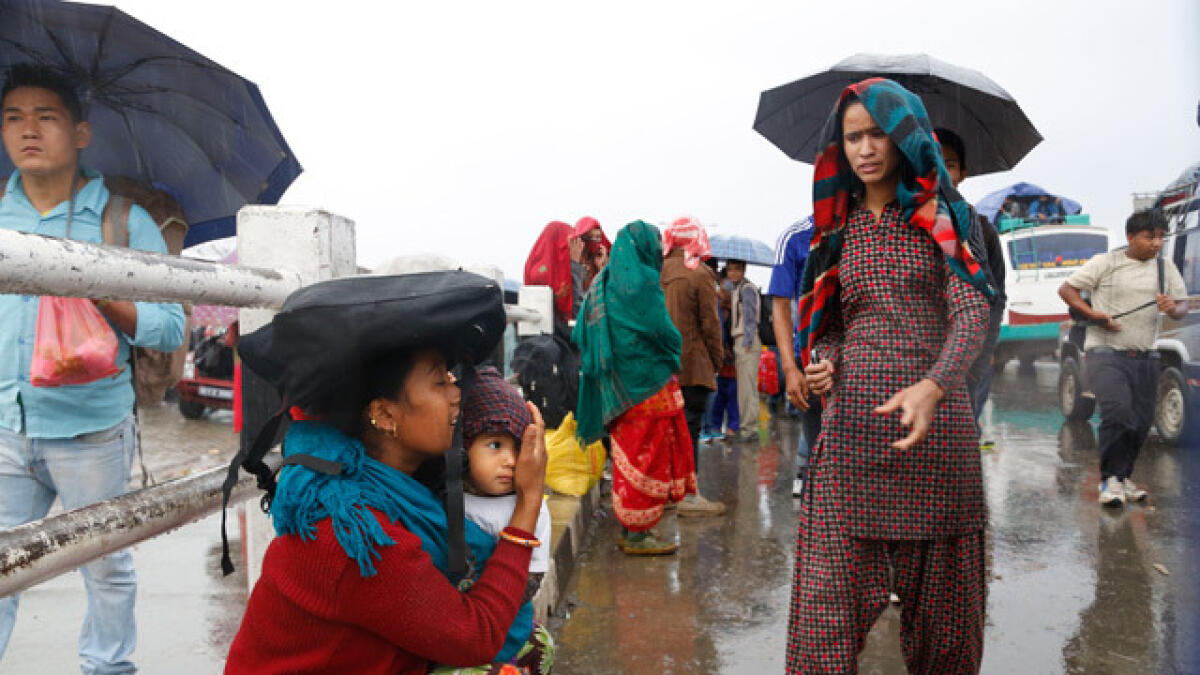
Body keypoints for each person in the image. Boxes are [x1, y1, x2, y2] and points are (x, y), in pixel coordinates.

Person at [225, 272, 549, 674]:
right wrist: (529, 502)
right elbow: (476, 636)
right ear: (384, 414)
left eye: (451, 378)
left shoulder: (389, 485)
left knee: (534, 648)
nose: (456, 393)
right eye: (438, 381)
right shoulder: (353, 532)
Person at [786, 78, 994, 673]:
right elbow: (830, 326)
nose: (865, 148)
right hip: (852, 436)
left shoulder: (946, 216)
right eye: (853, 136)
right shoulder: (834, 232)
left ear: (904, 136)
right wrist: (823, 360)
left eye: (878, 132)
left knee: (944, 626)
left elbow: (972, 308)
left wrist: (935, 384)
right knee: (824, 617)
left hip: (937, 442)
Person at [0, 64, 185, 672]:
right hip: (5, 424)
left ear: (80, 133)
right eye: (13, 117)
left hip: (93, 429)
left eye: (45, 117)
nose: (28, 130)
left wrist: (104, 292)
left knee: (105, 565)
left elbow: (171, 326)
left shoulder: (122, 222)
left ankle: (108, 669)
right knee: (1, 570)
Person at [573, 221, 698, 553]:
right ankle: (637, 534)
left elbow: (583, 332)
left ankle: (632, 528)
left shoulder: (603, 281)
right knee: (649, 457)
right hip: (648, 387)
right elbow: (664, 331)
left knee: (627, 456)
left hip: (618, 389)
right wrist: (673, 350)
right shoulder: (642, 281)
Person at [1058, 210, 1187, 507]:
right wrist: (1094, 315)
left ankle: (1123, 477)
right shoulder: (1106, 263)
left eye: (1160, 237)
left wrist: (1171, 308)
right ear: (1130, 237)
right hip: (1105, 354)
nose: (1156, 243)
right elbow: (1067, 290)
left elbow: (1181, 308)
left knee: (1141, 423)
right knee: (1117, 413)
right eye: (1149, 236)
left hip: (1146, 356)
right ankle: (1110, 481)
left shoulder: (1165, 268)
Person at [432, 366, 554, 673]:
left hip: (505, 629)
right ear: (461, 449)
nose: (510, 461)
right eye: (494, 446)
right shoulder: (443, 499)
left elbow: (532, 579)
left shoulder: (530, 508)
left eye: (518, 449)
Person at [936, 127, 1007, 447]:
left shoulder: (979, 228)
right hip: (915, 357)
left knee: (959, 442)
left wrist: (981, 354)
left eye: (949, 164)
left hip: (966, 359)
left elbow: (994, 296)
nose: (939, 170)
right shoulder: (904, 218)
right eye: (931, 159)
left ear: (963, 173)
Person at [660, 216, 727, 517]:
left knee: (666, 431)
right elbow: (711, 326)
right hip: (692, 365)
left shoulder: (657, 272)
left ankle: (666, 492)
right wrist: (717, 360)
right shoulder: (699, 274)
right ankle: (689, 495)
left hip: (661, 369)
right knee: (690, 429)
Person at [769, 216, 819, 497]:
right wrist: (790, 368)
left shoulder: (876, 227)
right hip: (812, 360)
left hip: (869, 359)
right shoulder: (796, 238)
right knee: (819, 449)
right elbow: (781, 305)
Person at [725, 259, 762, 441]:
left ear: (743, 270)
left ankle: (750, 430)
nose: (732, 273)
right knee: (743, 389)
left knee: (748, 389)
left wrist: (747, 342)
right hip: (740, 341)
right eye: (730, 269)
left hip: (747, 341)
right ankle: (746, 428)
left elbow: (750, 317)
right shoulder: (737, 289)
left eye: (736, 270)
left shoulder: (747, 289)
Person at [524, 221, 586, 330]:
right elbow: (578, 313)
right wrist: (574, 264)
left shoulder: (541, 266)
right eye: (571, 244)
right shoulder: (543, 272)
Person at [573, 216, 611, 290]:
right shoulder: (573, 261)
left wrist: (601, 267)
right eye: (589, 237)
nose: (594, 242)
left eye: (598, 237)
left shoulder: (608, 260)